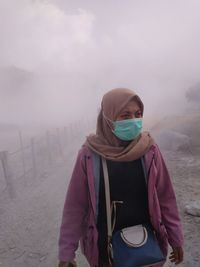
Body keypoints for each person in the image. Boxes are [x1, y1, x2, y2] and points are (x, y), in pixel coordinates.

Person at [58, 88, 184, 267]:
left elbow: (166, 198)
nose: (133, 120)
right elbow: (75, 206)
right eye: (125, 115)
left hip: (146, 249)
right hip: (105, 253)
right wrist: (66, 252)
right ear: (108, 118)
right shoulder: (88, 155)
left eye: (138, 114)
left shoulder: (149, 150)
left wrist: (176, 238)